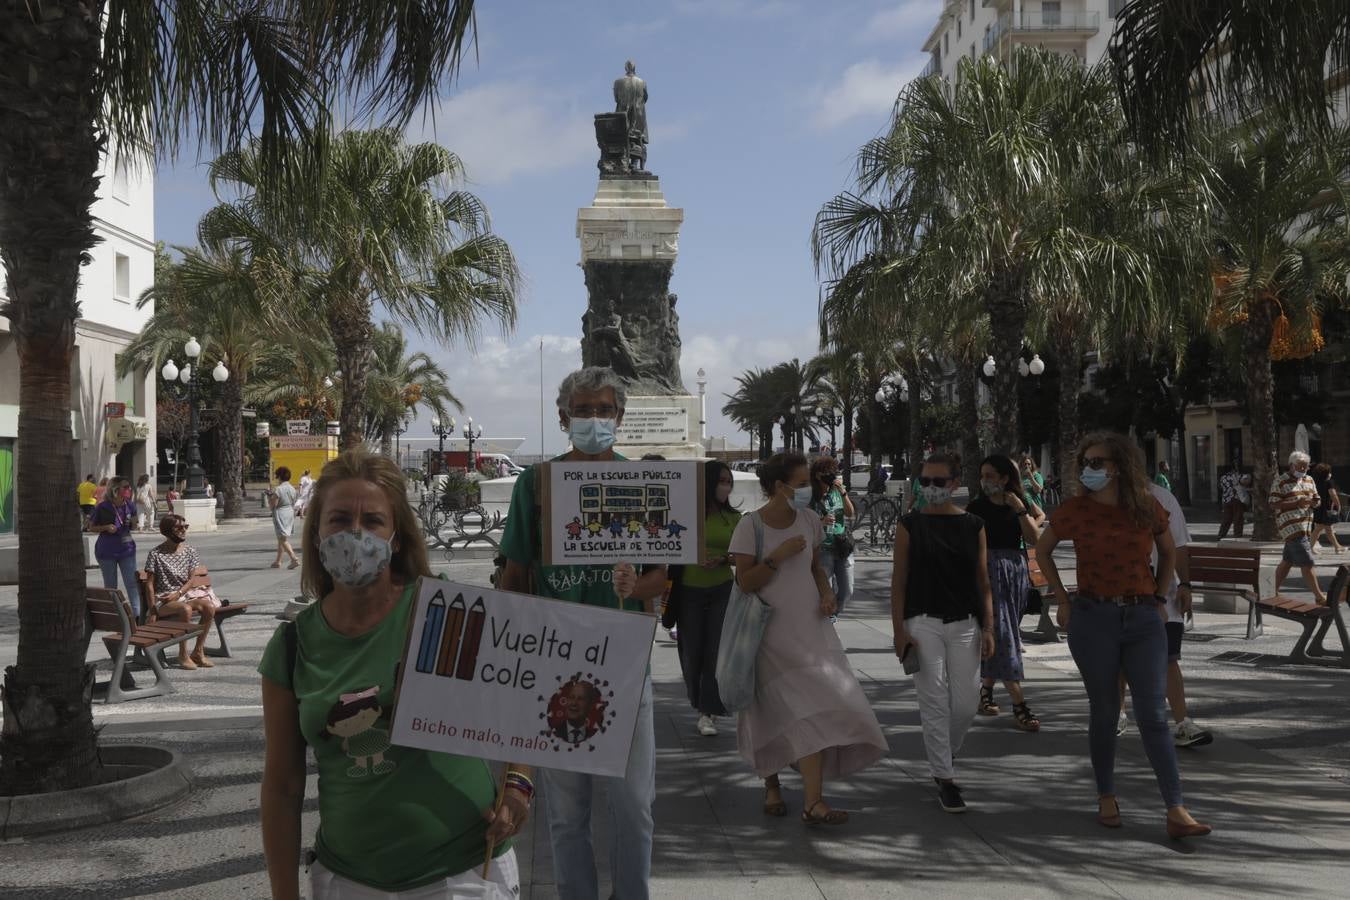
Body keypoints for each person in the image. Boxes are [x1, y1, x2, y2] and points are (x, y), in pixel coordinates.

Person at [259, 449, 529, 899]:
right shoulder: (291, 647)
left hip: (463, 874)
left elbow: (522, 701)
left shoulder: (443, 611)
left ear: (397, 537)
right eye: (339, 519)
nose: (355, 533)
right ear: (317, 532)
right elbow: (283, 786)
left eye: (373, 521)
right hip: (347, 881)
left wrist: (519, 784)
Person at [499, 366, 664, 900]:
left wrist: (637, 588)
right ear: (563, 417)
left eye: (604, 410)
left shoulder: (643, 482)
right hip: (555, 671)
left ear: (621, 416)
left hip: (627, 669)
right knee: (567, 816)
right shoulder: (536, 484)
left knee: (634, 808)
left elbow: (664, 577)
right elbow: (516, 574)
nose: (594, 419)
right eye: (583, 410)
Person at [1035, 432, 1210, 839]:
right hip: (1093, 617)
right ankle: (1107, 795)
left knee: (1152, 715)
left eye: (1098, 463)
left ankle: (1176, 808)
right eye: (1086, 463)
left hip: (1143, 618)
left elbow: (1169, 551)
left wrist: (1159, 595)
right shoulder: (1074, 510)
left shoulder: (1146, 507)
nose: (1090, 470)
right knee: (1106, 710)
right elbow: (1043, 549)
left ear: (1119, 467)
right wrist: (1062, 599)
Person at [730, 452, 886, 827]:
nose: (806, 490)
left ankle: (814, 801)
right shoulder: (751, 526)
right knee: (768, 711)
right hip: (765, 635)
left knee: (813, 707)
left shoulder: (811, 520)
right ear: (779, 486)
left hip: (809, 630)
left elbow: (816, 567)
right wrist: (777, 557)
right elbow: (744, 581)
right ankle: (772, 786)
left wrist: (826, 592)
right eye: (799, 484)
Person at [892, 454, 995, 813]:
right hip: (922, 622)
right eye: (925, 482)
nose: (931, 489)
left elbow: (983, 581)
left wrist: (989, 626)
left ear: (954, 483)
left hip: (965, 622)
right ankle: (945, 779)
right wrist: (898, 631)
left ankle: (944, 754)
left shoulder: (974, 525)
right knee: (933, 699)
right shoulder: (908, 525)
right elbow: (899, 581)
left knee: (966, 703)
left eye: (938, 482)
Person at [967, 454, 1044, 731]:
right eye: (982, 475)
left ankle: (985, 691)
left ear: (1004, 478)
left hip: (1015, 575)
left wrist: (1020, 510)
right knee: (1004, 635)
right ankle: (1019, 703)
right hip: (989, 575)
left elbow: (1034, 538)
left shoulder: (1017, 504)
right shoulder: (976, 507)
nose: (985, 481)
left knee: (1003, 632)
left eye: (990, 475)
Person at [1142, 484, 1214, 748]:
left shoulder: (1160, 497)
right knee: (1120, 661)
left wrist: (1185, 584)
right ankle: (1115, 718)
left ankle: (1182, 723)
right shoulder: (1101, 497)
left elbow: (1179, 545)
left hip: (1165, 597)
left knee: (1168, 659)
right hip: (1123, 596)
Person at [673, 460, 740, 737]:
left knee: (715, 652)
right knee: (692, 652)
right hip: (689, 590)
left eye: (729, 480)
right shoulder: (685, 515)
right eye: (721, 480)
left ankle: (707, 711)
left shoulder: (735, 518)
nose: (726, 485)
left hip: (722, 588)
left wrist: (724, 559)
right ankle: (697, 699)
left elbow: (744, 554)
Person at [144, 514, 219, 670]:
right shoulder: (155, 554)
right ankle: (183, 654)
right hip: (163, 600)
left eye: (186, 527)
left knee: (209, 607)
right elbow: (149, 584)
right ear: (167, 531)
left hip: (183, 595)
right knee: (185, 609)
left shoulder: (190, 551)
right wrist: (152, 611)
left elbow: (191, 580)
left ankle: (198, 651)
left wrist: (178, 594)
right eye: (179, 528)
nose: (184, 530)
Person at [1270, 451, 1326, 604]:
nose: (1303, 470)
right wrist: (1296, 503)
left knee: (1287, 561)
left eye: (1305, 468)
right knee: (1307, 562)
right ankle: (1319, 597)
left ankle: (1270, 590)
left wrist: (1315, 502)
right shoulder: (1281, 481)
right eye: (1300, 467)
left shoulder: (1309, 479)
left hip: (1306, 525)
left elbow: (1317, 498)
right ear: (1291, 465)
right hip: (1292, 527)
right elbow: (1273, 503)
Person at [810, 456, 855, 620]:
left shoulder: (837, 490)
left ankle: (833, 614)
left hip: (841, 546)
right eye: (826, 472)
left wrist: (843, 492)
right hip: (824, 548)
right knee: (825, 590)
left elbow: (850, 513)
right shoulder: (811, 496)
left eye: (833, 472)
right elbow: (804, 522)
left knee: (847, 590)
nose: (831, 475)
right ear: (817, 475)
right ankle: (828, 620)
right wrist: (821, 522)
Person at [90, 477, 141, 618]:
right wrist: (105, 527)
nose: (129, 490)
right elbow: (91, 527)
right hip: (106, 551)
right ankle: (115, 616)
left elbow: (133, 525)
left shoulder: (130, 505)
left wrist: (134, 523)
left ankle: (137, 616)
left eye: (129, 487)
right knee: (111, 586)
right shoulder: (102, 507)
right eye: (125, 487)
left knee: (131, 583)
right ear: (115, 490)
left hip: (127, 550)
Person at [269, 467, 301, 570]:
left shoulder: (278, 489)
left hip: (280, 513)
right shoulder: (292, 488)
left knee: (282, 537)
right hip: (289, 512)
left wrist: (270, 497)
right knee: (282, 538)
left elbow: (273, 505)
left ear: (279, 477)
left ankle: (293, 558)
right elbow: (294, 501)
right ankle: (278, 561)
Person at [1309, 462, 1343, 552]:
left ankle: (1337, 547)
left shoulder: (1315, 482)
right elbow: (1333, 494)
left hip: (1318, 507)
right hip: (1326, 509)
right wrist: (1338, 505)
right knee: (1319, 528)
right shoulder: (1329, 482)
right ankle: (1309, 548)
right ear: (1327, 473)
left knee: (1328, 528)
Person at [1216, 465, 1246, 540]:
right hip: (1236, 499)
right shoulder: (1236, 477)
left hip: (1226, 500)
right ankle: (1237, 534)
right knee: (1238, 518)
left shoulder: (1222, 478)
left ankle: (1221, 534)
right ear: (1233, 470)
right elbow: (1246, 479)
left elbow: (1220, 487)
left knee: (1226, 518)